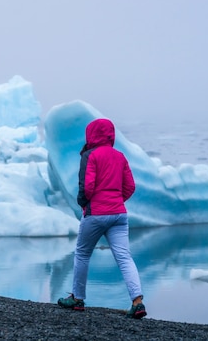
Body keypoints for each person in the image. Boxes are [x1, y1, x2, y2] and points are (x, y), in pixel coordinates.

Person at [57, 118, 147, 319]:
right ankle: (137, 302)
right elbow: (130, 186)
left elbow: (87, 186)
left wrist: (83, 202)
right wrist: (115, 200)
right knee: (124, 257)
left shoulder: (90, 155)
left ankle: (77, 299)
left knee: (82, 254)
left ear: (92, 134)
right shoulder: (120, 156)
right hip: (119, 214)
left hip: (96, 213)